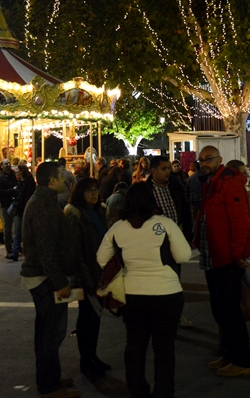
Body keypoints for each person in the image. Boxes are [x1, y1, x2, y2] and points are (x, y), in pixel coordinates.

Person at [97, 183, 191, 398]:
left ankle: (137, 390)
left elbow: (101, 259)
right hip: (167, 294)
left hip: (132, 295)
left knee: (135, 345)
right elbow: (184, 255)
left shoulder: (118, 228)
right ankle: (164, 392)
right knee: (164, 348)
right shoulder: (165, 224)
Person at [20, 161, 81, 398]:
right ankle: (49, 385)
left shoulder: (43, 201)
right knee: (50, 333)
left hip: (45, 276)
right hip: (45, 279)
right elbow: (47, 248)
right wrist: (59, 281)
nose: (65, 180)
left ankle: (51, 378)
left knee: (50, 333)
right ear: (51, 180)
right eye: (60, 176)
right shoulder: (44, 205)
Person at [194, 145, 250, 377]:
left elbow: (240, 222)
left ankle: (241, 360)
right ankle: (229, 355)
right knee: (220, 311)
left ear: (219, 160)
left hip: (226, 258)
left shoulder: (229, 183)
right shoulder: (212, 184)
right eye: (201, 160)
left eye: (208, 159)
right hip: (213, 256)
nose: (203, 164)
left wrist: (237, 254)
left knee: (230, 312)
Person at [64, 177, 110, 377]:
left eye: (95, 189)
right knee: (87, 319)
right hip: (87, 274)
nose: (94, 193)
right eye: (89, 190)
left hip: (101, 272)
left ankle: (93, 356)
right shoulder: (75, 216)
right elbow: (76, 252)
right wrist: (86, 279)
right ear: (80, 193)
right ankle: (86, 360)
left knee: (96, 317)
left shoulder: (100, 212)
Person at [146, 156, 194, 329]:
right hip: (155, 243)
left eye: (168, 168)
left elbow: (185, 208)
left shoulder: (174, 184)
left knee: (174, 279)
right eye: (164, 169)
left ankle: (175, 315)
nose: (168, 171)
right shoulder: (145, 190)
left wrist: (188, 236)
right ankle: (158, 317)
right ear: (153, 170)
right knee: (157, 281)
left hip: (174, 239)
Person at [0, 159, 18, 260]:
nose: (8, 165)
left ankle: (15, 246)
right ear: (1, 166)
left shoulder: (13, 176)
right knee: (8, 227)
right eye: (5, 164)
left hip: (13, 204)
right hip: (5, 204)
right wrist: (13, 190)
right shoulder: (0, 179)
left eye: (9, 163)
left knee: (15, 227)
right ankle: (9, 249)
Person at [10, 164, 37, 261]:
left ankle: (25, 251)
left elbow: (28, 195)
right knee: (17, 232)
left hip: (24, 208)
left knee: (24, 231)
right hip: (19, 209)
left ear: (22, 171)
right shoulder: (20, 182)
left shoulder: (29, 182)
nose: (16, 171)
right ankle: (15, 252)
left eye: (18, 170)